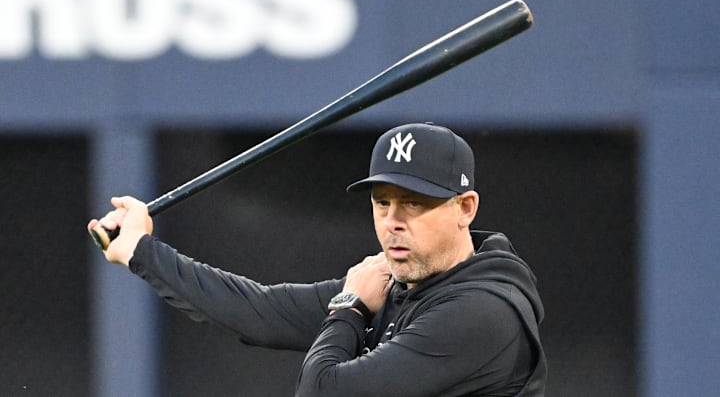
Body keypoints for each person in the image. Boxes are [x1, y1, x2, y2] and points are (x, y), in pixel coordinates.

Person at [88, 122, 547, 396]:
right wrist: (141, 253)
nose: (392, 221)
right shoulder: (394, 285)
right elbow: (259, 312)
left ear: (465, 208)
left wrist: (348, 308)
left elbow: (322, 392)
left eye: (414, 203)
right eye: (382, 203)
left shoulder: (483, 312)